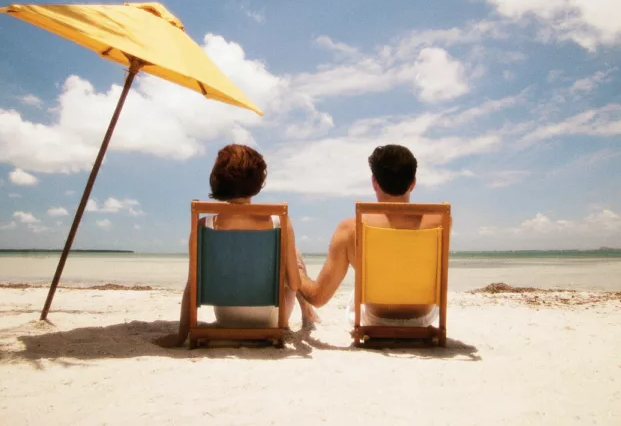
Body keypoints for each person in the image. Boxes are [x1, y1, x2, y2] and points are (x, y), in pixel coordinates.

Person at [156, 144, 317, 348]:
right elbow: (294, 285)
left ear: (218, 180)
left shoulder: (203, 225)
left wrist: (181, 336)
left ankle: (307, 310)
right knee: (292, 254)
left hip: (226, 318)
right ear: (258, 181)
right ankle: (308, 312)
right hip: (270, 321)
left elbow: (192, 287)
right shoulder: (280, 222)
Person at [297, 144, 447, 327]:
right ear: (413, 183)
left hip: (376, 319)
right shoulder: (440, 221)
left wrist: (298, 274)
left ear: (374, 182)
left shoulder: (350, 229)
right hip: (422, 319)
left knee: (358, 290)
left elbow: (318, 297)